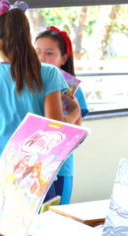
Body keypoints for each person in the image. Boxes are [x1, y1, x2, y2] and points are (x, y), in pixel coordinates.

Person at [0, 0, 81, 203]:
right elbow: (56, 128)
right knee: (40, 232)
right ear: (27, 37)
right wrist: (74, 112)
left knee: (1, 234)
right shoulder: (49, 73)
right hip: (37, 171)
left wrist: (3, 116)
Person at [35, 26, 89, 204]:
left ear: (64, 58)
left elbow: (78, 135)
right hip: (32, 166)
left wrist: (74, 110)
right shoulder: (28, 84)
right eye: (37, 51)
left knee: (57, 218)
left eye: (49, 53)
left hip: (61, 167)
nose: (41, 57)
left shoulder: (72, 89)